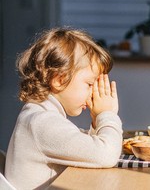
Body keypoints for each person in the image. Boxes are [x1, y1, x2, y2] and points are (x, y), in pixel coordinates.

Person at [5, 27, 123, 189]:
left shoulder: (38, 115)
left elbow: (87, 151)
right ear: (59, 80)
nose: (92, 95)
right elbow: (106, 155)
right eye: (89, 84)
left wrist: (97, 122)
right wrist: (107, 114)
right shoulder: (42, 122)